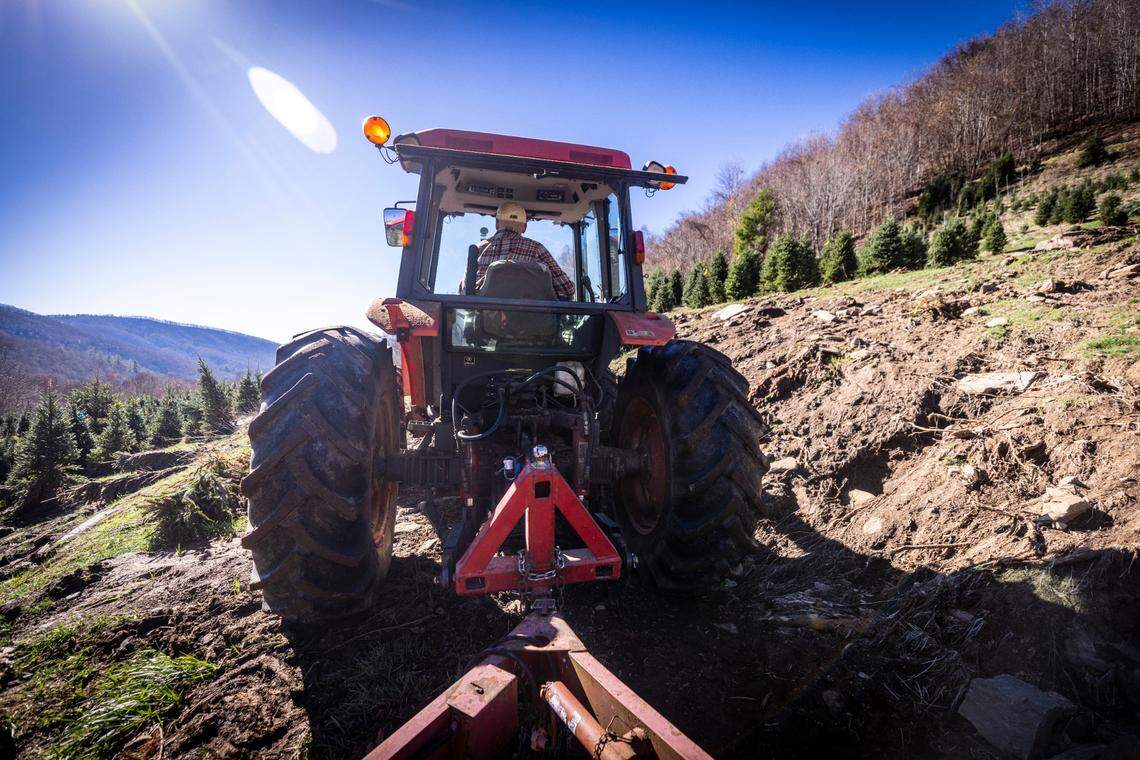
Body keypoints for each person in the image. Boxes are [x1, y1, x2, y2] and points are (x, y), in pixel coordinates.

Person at [474, 202, 574, 301]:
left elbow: (465, 290)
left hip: (485, 315)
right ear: (524, 227)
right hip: (533, 316)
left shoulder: (478, 249)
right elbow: (567, 290)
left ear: (497, 223)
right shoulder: (536, 249)